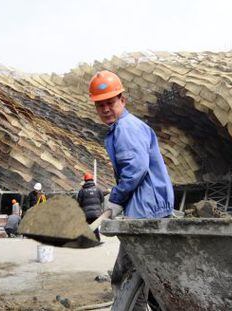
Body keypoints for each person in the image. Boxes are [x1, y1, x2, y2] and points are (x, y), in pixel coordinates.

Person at [89, 70, 174, 309]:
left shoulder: (126, 128)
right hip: (150, 207)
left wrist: (115, 199)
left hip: (146, 211)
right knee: (155, 276)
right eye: (100, 105)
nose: (105, 109)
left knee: (128, 275)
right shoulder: (126, 127)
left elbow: (135, 169)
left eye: (110, 103)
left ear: (122, 100)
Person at [76, 172, 104, 240]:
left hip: (86, 213)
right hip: (97, 212)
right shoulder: (98, 189)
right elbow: (102, 199)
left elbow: (79, 202)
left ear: (85, 180)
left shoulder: (82, 191)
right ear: (92, 180)